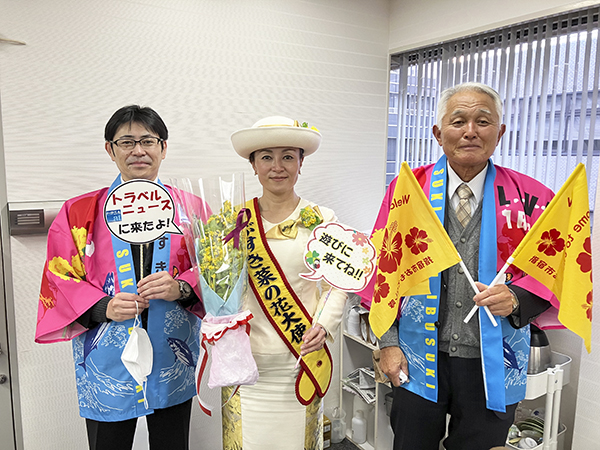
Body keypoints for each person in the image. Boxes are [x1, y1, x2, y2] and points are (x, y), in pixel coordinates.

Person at [364, 83, 557, 450]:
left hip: (492, 362)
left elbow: (554, 271)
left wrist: (516, 298)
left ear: (500, 132)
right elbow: (383, 272)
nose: (470, 131)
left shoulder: (531, 199)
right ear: (438, 133)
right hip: (417, 354)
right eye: (459, 121)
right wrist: (387, 343)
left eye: (483, 121)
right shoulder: (408, 192)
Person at [35, 105, 205, 450]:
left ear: (164, 147)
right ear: (110, 149)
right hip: (106, 354)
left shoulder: (192, 209)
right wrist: (102, 307)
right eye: (126, 141)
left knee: (172, 442)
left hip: (172, 349)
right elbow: (60, 276)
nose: (138, 150)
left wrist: (182, 287)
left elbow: (217, 269)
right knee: (107, 443)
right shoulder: (79, 211)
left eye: (148, 141)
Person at [228, 116, 347, 450]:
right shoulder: (234, 222)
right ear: (253, 164)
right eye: (266, 157)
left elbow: (337, 284)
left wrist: (324, 324)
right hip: (247, 365)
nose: (277, 166)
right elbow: (220, 288)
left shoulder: (323, 219)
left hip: (301, 360)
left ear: (301, 163)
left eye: (287, 157)